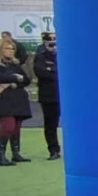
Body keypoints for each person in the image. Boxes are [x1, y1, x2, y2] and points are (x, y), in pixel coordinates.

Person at [0, 43, 34, 166]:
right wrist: (15, 79)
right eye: (7, 48)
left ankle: (16, 153)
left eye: (12, 49)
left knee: (16, 127)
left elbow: (26, 80)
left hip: (18, 99)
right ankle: (0, 157)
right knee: (7, 127)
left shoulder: (15, 65)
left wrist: (14, 81)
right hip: (3, 100)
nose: (10, 51)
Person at [33, 31, 61, 159]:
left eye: (56, 44)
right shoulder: (40, 57)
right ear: (45, 44)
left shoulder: (66, 54)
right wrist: (56, 72)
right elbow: (42, 73)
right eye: (51, 45)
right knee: (51, 125)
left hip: (67, 97)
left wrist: (52, 71)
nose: (54, 47)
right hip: (49, 96)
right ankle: (53, 150)